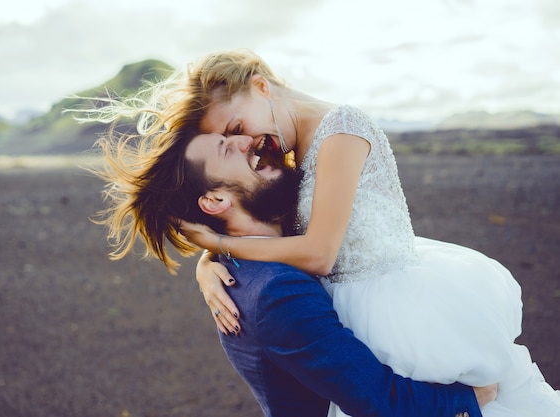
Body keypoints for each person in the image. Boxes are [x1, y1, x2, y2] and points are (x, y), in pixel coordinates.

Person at [89, 124, 497, 416]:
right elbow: (377, 401)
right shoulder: (276, 292)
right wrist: (472, 400)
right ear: (214, 202)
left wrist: (208, 254)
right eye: (228, 148)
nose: (248, 140)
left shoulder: (258, 256)